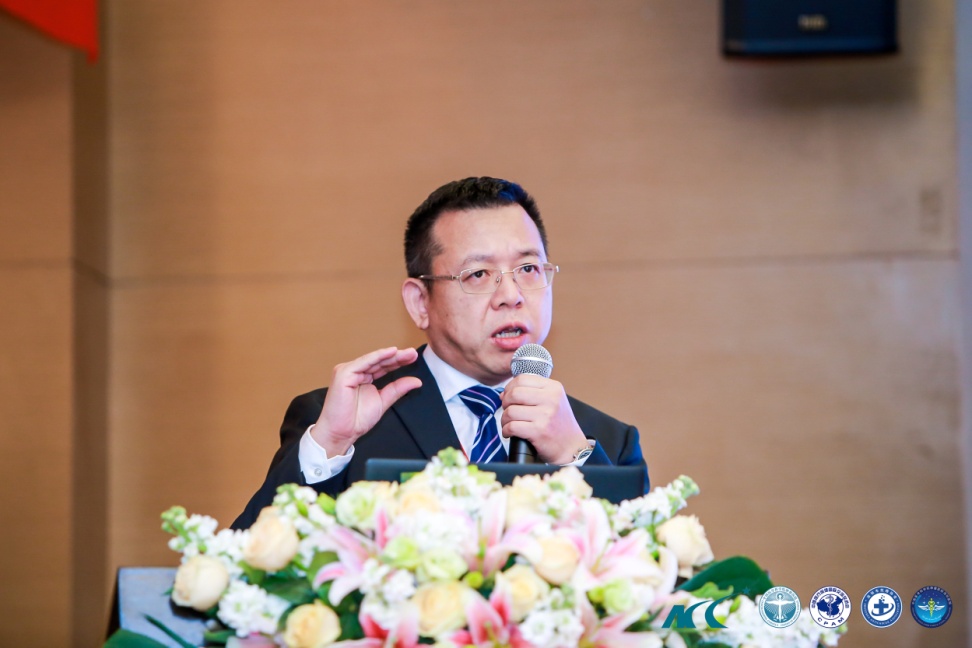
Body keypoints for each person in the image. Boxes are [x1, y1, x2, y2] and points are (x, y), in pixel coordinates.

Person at [232, 177, 647, 529]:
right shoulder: (345, 423)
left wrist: (575, 459)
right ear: (420, 302)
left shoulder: (606, 441)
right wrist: (330, 444)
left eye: (528, 269)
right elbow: (246, 566)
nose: (511, 295)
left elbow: (650, 581)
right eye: (478, 274)